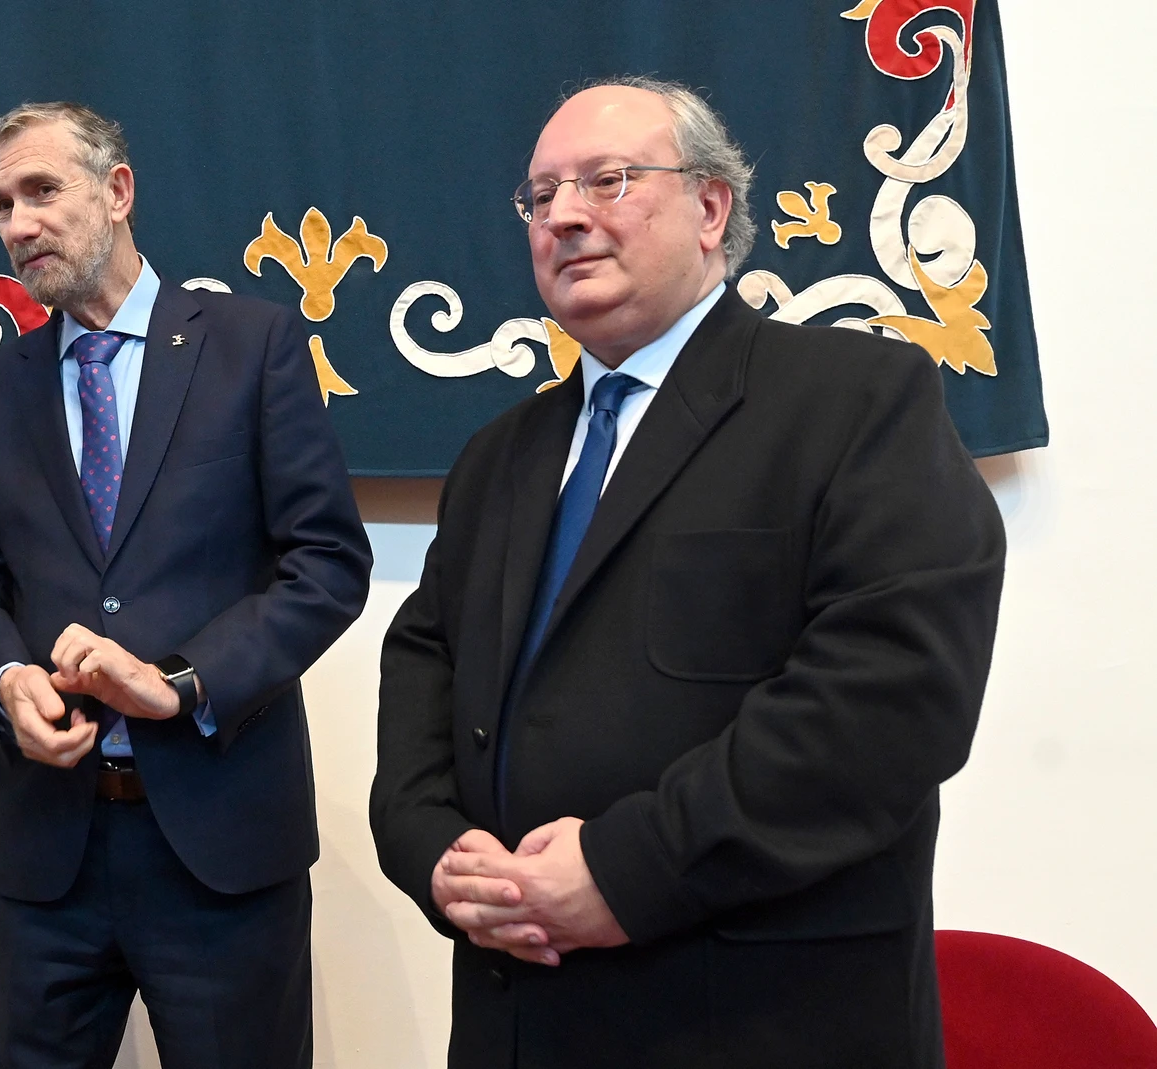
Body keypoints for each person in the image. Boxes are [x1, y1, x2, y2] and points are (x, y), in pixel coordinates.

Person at [370, 78, 1005, 1069]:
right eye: (541, 198)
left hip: (754, 1016)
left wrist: (626, 870)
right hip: (520, 1014)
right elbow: (424, 670)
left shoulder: (855, 401)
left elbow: (889, 701)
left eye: (606, 181)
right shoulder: (499, 455)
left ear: (710, 208)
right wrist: (438, 857)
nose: (565, 216)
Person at [0, 102, 372, 1069]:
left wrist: (180, 681)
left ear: (119, 191)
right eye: (3, 203)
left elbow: (328, 562)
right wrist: (8, 681)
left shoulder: (251, 346)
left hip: (220, 846)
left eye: (43, 190)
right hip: (49, 851)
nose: (18, 223)